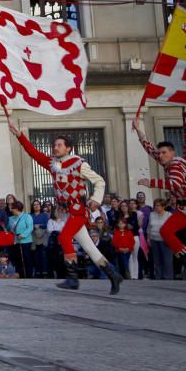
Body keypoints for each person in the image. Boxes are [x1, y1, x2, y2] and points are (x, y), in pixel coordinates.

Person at [10, 120, 121, 294]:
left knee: (64, 237)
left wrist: (96, 199)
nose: (55, 148)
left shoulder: (79, 163)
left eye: (59, 145)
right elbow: (33, 153)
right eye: (54, 145)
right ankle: (113, 274)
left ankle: (73, 279)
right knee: (89, 247)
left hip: (78, 211)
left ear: (68, 148)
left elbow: (99, 181)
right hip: (66, 213)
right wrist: (19, 135)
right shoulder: (53, 164)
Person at [132, 121, 186, 260]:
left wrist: (151, 183)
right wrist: (138, 130)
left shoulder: (175, 165)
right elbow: (150, 149)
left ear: (172, 153)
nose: (160, 155)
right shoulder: (167, 161)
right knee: (166, 231)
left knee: (167, 232)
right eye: (160, 153)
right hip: (182, 209)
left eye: (164, 152)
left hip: (183, 209)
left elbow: (175, 184)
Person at [148, 199, 174, 280]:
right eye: (155, 205)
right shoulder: (151, 214)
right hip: (154, 239)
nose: (156, 207)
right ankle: (158, 276)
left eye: (158, 205)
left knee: (167, 259)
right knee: (157, 259)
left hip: (165, 240)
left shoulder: (169, 215)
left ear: (163, 206)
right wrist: (148, 238)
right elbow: (149, 227)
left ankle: (167, 277)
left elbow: (172, 228)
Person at [7, 201, 33, 278]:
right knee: (18, 259)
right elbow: (8, 228)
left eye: (12, 208)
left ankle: (28, 275)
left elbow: (30, 227)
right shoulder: (11, 218)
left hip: (26, 241)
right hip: (15, 241)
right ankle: (20, 274)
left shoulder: (27, 216)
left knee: (27, 259)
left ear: (17, 209)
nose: (11, 210)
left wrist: (22, 235)